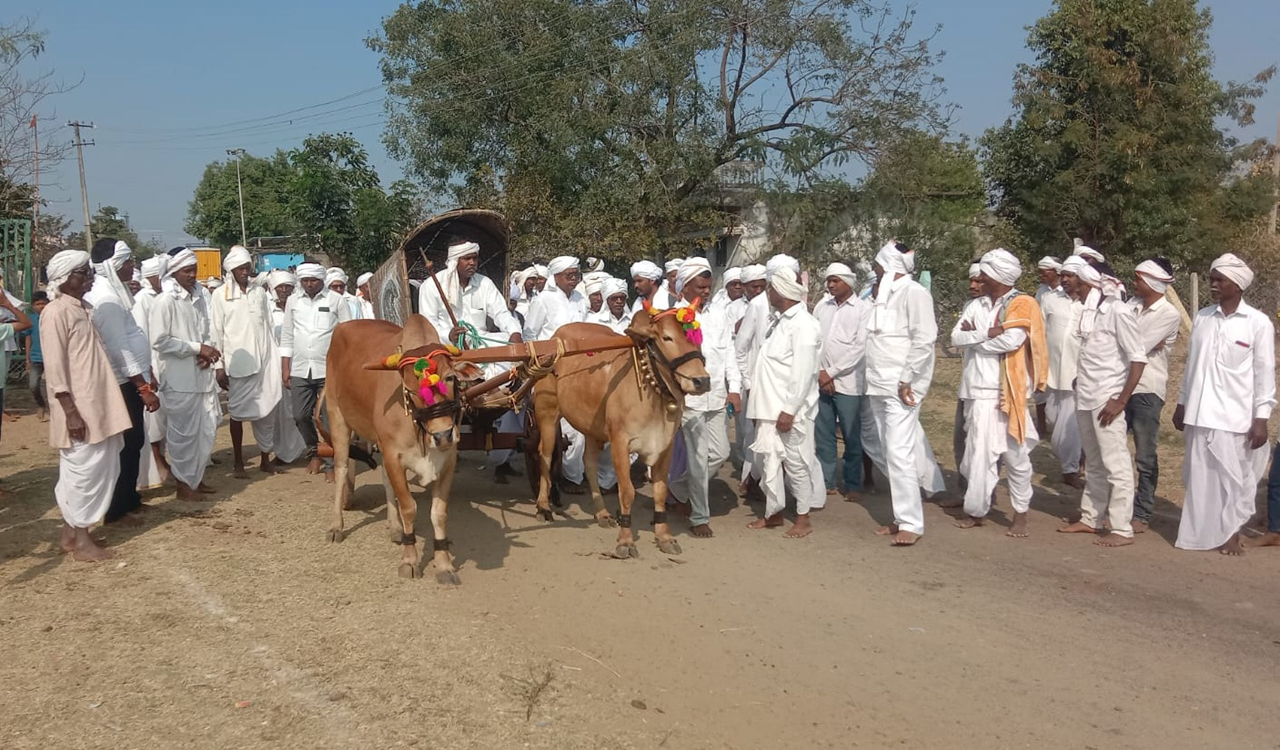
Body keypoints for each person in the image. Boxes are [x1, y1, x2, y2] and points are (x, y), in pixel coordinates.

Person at [1174, 254, 1274, 555]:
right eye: (1212, 279)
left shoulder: (1257, 323)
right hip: (1200, 411)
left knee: (1233, 478)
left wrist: (1262, 417)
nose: (1214, 285)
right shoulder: (1204, 317)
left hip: (1235, 415)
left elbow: (1264, 372)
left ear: (1238, 286)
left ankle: (1230, 532)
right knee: (1199, 476)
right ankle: (1199, 533)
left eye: (1221, 280)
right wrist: (1181, 403)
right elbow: (1192, 366)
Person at [40, 249, 132, 561]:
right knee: (83, 472)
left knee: (99, 466)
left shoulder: (82, 308)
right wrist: (70, 412)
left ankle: (70, 534)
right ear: (64, 279)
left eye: (89, 272)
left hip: (98, 403)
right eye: (82, 273)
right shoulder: (55, 312)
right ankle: (82, 541)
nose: (89, 278)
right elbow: (54, 369)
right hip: (79, 408)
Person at [951, 250, 1047, 537]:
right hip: (975, 391)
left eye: (985, 274)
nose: (980, 278)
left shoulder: (1022, 303)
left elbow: (1013, 340)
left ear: (1000, 278)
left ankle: (1020, 513)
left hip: (1007, 391)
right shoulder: (975, 304)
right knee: (975, 455)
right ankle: (977, 510)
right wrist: (988, 333)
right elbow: (956, 338)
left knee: (1016, 457)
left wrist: (977, 338)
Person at [417, 240, 524, 480]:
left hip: (480, 344)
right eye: (468, 259)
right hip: (443, 347)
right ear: (455, 261)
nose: (473, 263)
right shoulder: (431, 286)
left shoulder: (484, 284)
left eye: (475, 258)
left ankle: (494, 392)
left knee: (511, 355)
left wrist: (514, 332)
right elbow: (428, 322)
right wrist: (449, 334)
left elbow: (500, 313)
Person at [1057, 260, 1146, 547]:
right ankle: (1090, 518)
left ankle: (1121, 528)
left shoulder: (1118, 311)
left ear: (1088, 282)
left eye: (1073, 278)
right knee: (1094, 462)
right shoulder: (1087, 312)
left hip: (1107, 399)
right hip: (1085, 395)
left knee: (1116, 464)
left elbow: (1138, 359)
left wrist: (1121, 400)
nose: (1066, 282)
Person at [864, 242, 937, 546]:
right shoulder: (882, 295)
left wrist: (907, 379)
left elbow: (925, 339)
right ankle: (899, 517)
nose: (875, 270)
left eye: (878, 265)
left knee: (900, 453)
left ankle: (911, 523)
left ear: (889, 266)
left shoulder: (914, 293)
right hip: (878, 384)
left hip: (900, 387)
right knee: (890, 452)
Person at [84, 239, 161, 525]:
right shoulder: (106, 300)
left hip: (132, 379)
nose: (133, 267)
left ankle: (129, 498)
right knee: (127, 443)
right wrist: (142, 386)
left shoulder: (115, 295)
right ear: (114, 265)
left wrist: (147, 372)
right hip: (122, 384)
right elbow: (119, 348)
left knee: (135, 441)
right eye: (128, 262)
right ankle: (117, 509)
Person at [746, 265, 822, 538]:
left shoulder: (803, 325)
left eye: (770, 288)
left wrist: (789, 410)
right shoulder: (780, 322)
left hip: (789, 410)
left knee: (796, 463)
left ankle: (803, 518)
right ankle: (773, 512)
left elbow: (802, 374)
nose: (767, 293)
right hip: (769, 408)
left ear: (781, 291)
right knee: (770, 462)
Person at [667, 258, 739, 538]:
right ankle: (699, 517)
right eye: (701, 286)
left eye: (709, 287)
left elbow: (729, 353)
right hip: (691, 399)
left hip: (717, 395)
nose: (707, 291)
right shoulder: (672, 319)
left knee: (720, 453)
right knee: (698, 458)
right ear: (684, 287)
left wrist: (734, 388)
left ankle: (678, 488)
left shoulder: (719, 314)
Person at [151, 248, 223, 500]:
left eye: (194, 270)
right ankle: (183, 486)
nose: (192, 275)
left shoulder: (200, 296)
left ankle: (195, 478)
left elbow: (206, 331)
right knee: (183, 436)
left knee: (207, 428)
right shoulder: (165, 301)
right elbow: (160, 341)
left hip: (202, 376)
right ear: (174, 272)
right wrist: (195, 349)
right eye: (187, 271)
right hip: (179, 379)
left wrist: (208, 352)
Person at [211, 246, 284, 478]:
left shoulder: (259, 293)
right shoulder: (219, 295)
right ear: (231, 270)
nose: (244, 272)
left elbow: (269, 326)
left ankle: (265, 459)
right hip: (238, 364)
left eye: (247, 268)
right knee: (237, 414)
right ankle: (239, 464)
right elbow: (216, 331)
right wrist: (219, 367)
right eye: (240, 269)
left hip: (264, 361)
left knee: (267, 411)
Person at [280, 262, 353, 478]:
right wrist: (286, 367)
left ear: (322, 280)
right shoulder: (293, 301)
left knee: (328, 417)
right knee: (300, 415)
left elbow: (348, 336)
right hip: (301, 368)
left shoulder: (336, 300)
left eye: (312, 281)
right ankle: (314, 451)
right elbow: (287, 335)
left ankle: (331, 464)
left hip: (329, 369)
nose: (308, 284)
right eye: (304, 281)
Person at [524, 256, 588, 492]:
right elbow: (529, 334)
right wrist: (539, 363)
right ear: (556, 277)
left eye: (576, 275)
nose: (574, 280)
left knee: (579, 430)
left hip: (579, 369)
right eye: (569, 275)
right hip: (549, 370)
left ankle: (572, 477)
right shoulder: (544, 301)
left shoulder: (581, 300)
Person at [1126, 258, 1180, 533]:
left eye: (1138, 279)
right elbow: (1122, 341)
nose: (1134, 284)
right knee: (1111, 450)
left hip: (1147, 390)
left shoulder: (1169, 314)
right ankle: (1117, 506)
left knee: (1145, 456)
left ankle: (1143, 512)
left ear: (1151, 282)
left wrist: (1131, 341)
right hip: (1118, 386)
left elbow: (1135, 346)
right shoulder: (1131, 305)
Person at [813, 262, 868, 502]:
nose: (831, 284)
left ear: (849, 282)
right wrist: (820, 372)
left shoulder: (863, 309)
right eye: (829, 280)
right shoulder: (821, 307)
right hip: (820, 380)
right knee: (823, 433)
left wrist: (831, 373)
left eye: (836, 280)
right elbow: (812, 340)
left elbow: (860, 348)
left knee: (851, 434)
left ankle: (852, 482)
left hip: (848, 383)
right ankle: (826, 480)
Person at [1043, 257, 1086, 488]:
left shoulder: (1090, 305)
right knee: (1053, 420)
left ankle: (1070, 469)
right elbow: (1039, 330)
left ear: (1081, 278)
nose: (1065, 279)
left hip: (1076, 374)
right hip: (1051, 371)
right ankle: (1075, 457)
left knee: (1067, 429)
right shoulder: (1051, 300)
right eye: (1063, 275)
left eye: (1070, 275)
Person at [132, 255, 171, 487]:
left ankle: (164, 459)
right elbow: (141, 338)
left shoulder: (162, 297)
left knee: (165, 418)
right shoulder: (142, 301)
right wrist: (149, 371)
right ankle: (157, 462)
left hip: (167, 365)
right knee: (153, 420)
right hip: (151, 367)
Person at [266, 270, 306, 465]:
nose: (284, 290)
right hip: (274, 364)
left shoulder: (300, 306)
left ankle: (301, 448)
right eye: (280, 287)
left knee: (298, 409)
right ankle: (283, 452)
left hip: (299, 362)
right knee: (278, 411)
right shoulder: (267, 309)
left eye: (288, 287)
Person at [22, 292, 48, 422]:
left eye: (43, 303)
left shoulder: (53, 317)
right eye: (38, 304)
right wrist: (27, 358)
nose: (41, 306)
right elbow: (28, 338)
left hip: (51, 357)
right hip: (36, 357)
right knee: (33, 385)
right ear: (33, 306)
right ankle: (41, 404)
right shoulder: (31, 320)